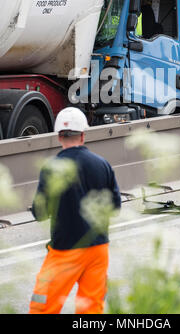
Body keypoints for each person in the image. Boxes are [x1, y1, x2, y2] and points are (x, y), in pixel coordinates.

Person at [29, 107, 121, 315]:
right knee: (91, 310)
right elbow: (114, 207)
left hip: (65, 250)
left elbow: (40, 212)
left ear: (59, 135)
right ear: (83, 135)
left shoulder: (52, 167)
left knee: (42, 307)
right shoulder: (102, 165)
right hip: (98, 249)